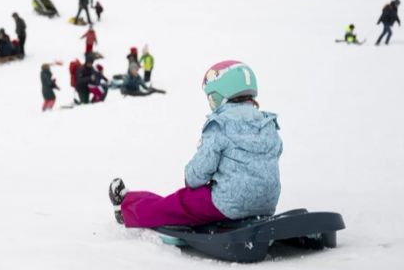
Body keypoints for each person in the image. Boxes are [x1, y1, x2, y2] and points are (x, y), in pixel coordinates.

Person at [108, 61, 282, 228]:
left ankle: (126, 207)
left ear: (222, 94)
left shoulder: (220, 124)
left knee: (176, 204)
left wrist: (189, 179)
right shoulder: (268, 123)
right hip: (267, 203)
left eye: (212, 96)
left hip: (227, 203)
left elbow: (199, 172)